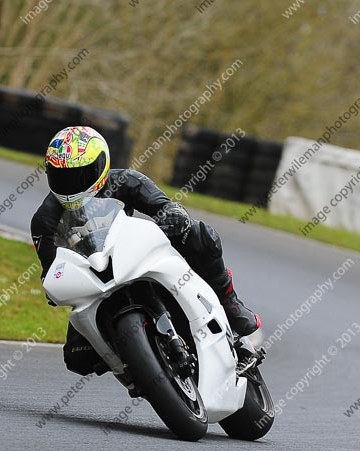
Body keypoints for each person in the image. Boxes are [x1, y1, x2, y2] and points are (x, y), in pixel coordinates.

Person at [31, 126, 260, 376]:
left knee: (200, 235)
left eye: (80, 175)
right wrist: (56, 286)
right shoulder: (44, 220)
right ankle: (135, 365)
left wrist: (173, 217)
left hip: (134, 255)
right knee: (77, 358)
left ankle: (230, 305)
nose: (70, 184)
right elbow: (51, 269)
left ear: (101, 166)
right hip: (94, 281)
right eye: (62, 177)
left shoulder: (127, 181)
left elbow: (165, 207)